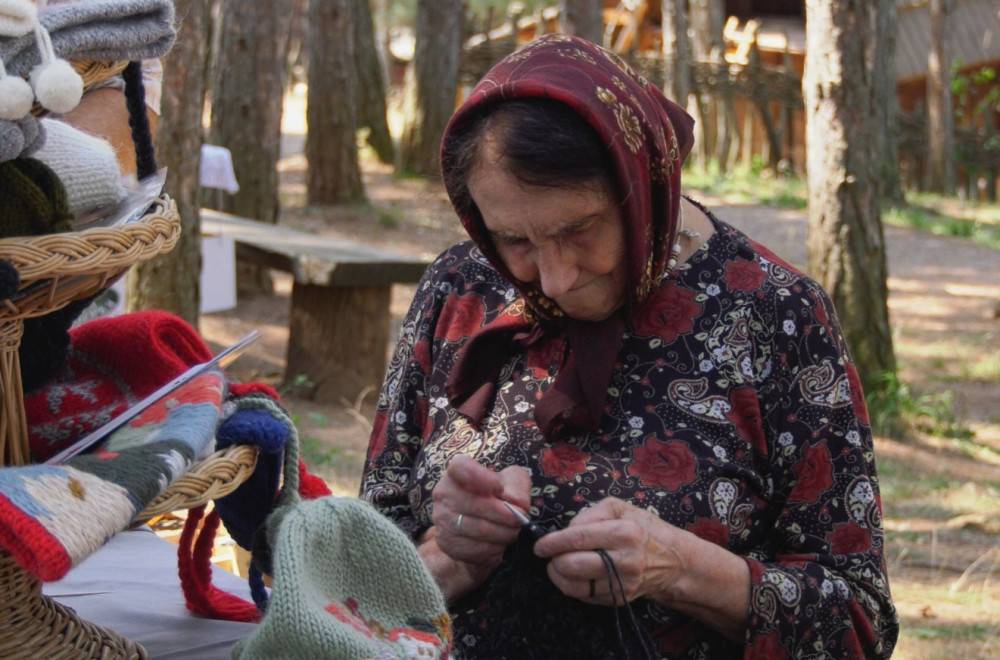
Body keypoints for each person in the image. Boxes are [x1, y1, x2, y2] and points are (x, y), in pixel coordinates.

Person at [360, 34, 898, 659]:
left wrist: (680, 567)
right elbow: (357, 584)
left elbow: (859, 627)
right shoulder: (460, 289)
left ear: (643, 183)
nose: (555, 278)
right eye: (515, 239)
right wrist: (448, 558)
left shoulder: (776, 315)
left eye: (579, 228)